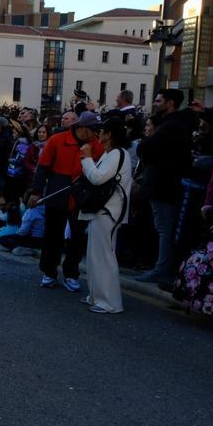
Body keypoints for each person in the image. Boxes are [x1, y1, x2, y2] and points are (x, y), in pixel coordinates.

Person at [30, 111, 105, 292]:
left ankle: (71, 273)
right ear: (82, 127)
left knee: (78, 239)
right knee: (52, 236)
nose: (96, 133)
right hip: (58, 193)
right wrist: (36, 191)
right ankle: (49, 272)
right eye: (93, 129)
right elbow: (42, 168)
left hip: (82, 197)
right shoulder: (57, 140)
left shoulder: (96, 146)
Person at [135, 88, 196, 286]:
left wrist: (146, 144)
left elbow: (145, 148)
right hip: (165, 184)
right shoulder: (175, 124)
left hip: (164, 185)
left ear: (170, 103)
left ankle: (162, 269)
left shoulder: (171, 126)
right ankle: (161, 267)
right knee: (163, 228)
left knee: (164, 229)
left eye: (159, 100)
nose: (155, 103)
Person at [79, 117, 133, 314]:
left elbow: (97, 178)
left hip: (108, 212)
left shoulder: (117, 154)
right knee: (95, 256)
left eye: (102, 131)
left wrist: (86, 159)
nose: (99, 133)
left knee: (103, 256)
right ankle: (97, 296)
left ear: (109, 135)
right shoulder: (113, 154)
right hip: (103, 211)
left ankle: (109, 302)